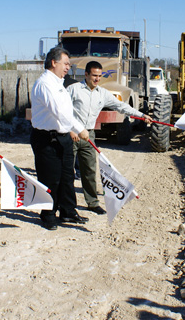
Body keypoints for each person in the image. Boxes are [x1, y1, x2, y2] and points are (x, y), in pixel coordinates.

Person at [67, 61, 153, 214]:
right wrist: (70, 131)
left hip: (88, 136)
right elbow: (63, 111)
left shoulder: (102, 93)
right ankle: (66, 206)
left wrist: (141, 115)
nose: (97, 79)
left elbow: (121, 106)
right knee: (66, 173)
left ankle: (92, 203)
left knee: (89, 171)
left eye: (100, 76)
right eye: (94, 75)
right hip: (71, 135)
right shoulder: (73, 90)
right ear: (86, 74)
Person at [30, 47, 90, 231]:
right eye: (65, 64)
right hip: (46, 139)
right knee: (50, 179)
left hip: (62, 137)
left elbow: (66, 114)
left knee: (66, 176)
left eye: (69, 64)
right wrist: (80, 129)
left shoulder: (59, 83)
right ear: (53, 63)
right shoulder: (45, 84)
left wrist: (74, 130)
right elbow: (61, 113)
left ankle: (68, 211)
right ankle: (48, 215)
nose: (68, 67)